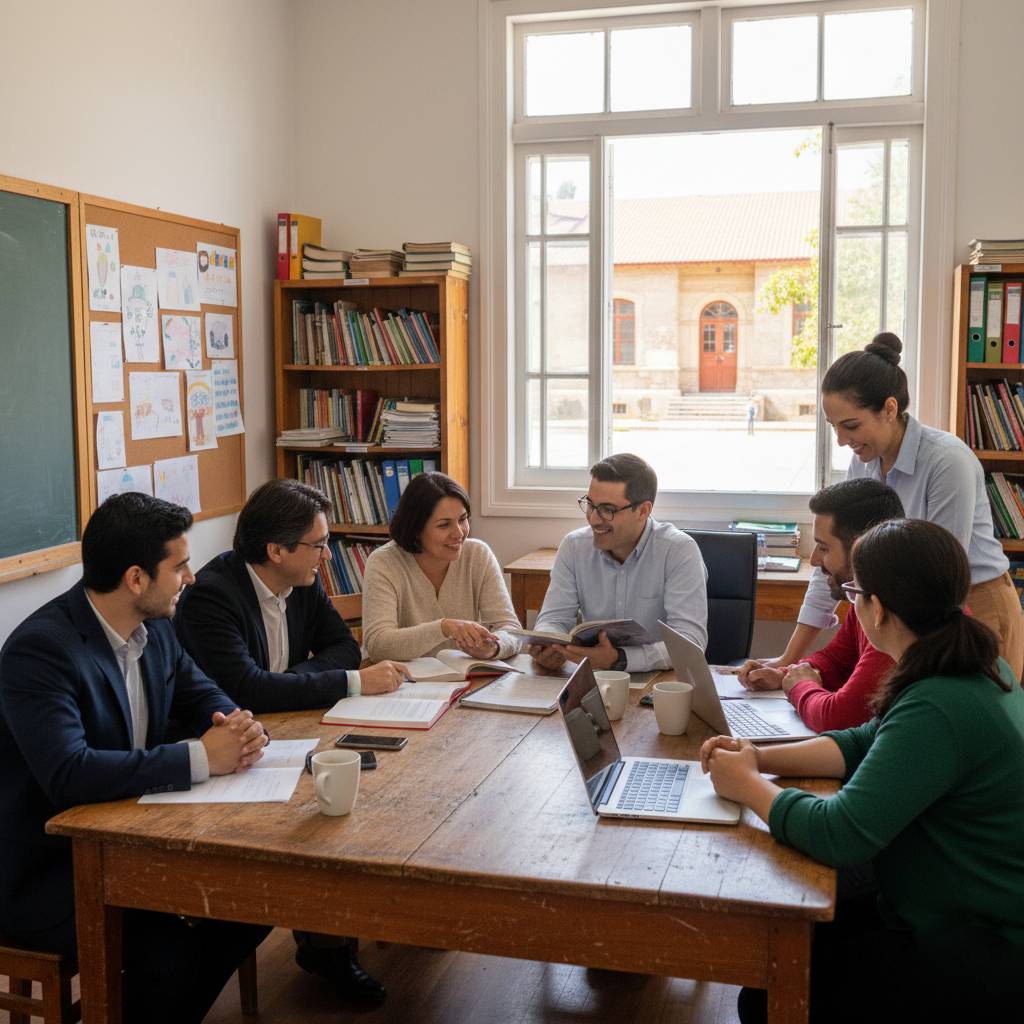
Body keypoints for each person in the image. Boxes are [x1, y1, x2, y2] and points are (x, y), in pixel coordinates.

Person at [703, 519, 1024, 1022]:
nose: (851, 602)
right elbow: (861, 741)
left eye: (854, 592)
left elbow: (839, 833)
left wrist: (747, 787)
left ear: (877, 607)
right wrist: (758, 756)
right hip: (960, 906)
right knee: (780, 957)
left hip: (978, 940)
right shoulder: (968, 662)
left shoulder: (939, 702)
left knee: (767, 993)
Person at [0, 493, 270, 1024]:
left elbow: (202, 693)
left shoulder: (158, 626)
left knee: (255, 902)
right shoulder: (41, 651)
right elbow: (70, 774)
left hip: (129, 834)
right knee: (170, 951)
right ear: (136, 578)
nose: (191, 577)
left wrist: (235, 726)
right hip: (45, 870)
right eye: (180, 566)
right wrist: (201, 758)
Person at [176, 478, 405, 1004]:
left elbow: (339, 648)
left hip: (294, 726)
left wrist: (303, 680)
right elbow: (246, 688)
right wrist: (347, 682)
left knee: (356, 799)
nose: (327, 556)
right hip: (234, 751)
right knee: (322, 823)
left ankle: (328, 939)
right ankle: (326, 947)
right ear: (275, 550)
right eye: (318, 545)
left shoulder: (302, 580)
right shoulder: (211, 595)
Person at [750, 332, 1023, 678]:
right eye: (834, 427)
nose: (841, 440)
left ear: (889, 409)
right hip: (906, 608)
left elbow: (940, 576)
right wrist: (787, 658)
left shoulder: (946, 461)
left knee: (963, 722)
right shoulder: (862, 462)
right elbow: (836, 559)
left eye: (851, 426)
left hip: (973, 604)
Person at [740, 478, 904, 730]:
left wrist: (799, 685)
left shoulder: (895, 617)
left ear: (860, 546)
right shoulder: (864, 594)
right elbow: (837, 661)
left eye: (823, 547)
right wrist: (784, 675)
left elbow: (839, 716)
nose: (815, 560)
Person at [528, 453, 707, 673]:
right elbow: (554, 618)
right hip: (594, 678)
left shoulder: (679, 551)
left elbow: (690, 643)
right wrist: (548, 643)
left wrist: (620, 659)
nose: (594, 518)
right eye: (590, 505)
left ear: (643, 511)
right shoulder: (574, 546)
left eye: (608, 510)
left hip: (661, 684)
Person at [361, 472, 521, 662]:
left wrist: (494, 648)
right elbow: (378, 645)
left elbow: (510, 628)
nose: (459, 533)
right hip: (402, 684)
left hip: (466, 680)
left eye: (462, 519)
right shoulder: (384, 562)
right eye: (444, 525)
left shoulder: (478, 554)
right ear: (416, 529)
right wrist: (444, 628)